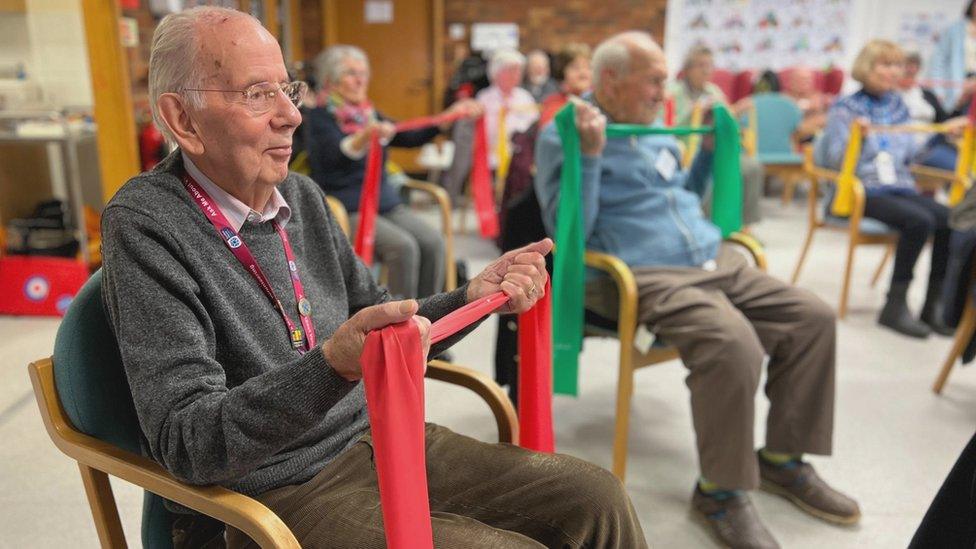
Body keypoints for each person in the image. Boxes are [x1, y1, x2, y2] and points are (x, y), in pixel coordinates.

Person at [102, 7, 647, 548]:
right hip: (266, 495)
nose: (291, 115)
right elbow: (187, 442)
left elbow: (387, 323)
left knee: (597, 497)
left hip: (379, 436)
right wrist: (332, 366)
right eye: (255, 93)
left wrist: (470, 297)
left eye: (288, 89)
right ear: (183, 121)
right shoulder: (148, 224)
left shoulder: (301, 197)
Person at [535, 30, 859, 549]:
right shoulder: (566, 132)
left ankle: (780, 460)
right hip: (641, 272)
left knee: (812, 316)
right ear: (611, 82)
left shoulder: (654, 123)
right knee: (731, 343)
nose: (665, 93)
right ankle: (720, 492)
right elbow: (570, 231)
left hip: (711, 257)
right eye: (655, 81)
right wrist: (591, 156)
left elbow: (677, 194)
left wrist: (706, 153)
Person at [305, 45, 480, 299]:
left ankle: (429, 315)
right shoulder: (319, 117)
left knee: (433, 242)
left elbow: (407, 135)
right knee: (404, 247)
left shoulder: (367, 113)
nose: (360, 80)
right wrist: (364, 137)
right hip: (348, 207)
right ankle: (400, 322)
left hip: (385, 203)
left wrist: (446, 119)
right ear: (331, 80)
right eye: (351, 73)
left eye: (363, 73)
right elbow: (334, 156)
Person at [819, 40, 955, 338]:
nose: (893, 71)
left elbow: (910, 156)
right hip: (862, 190)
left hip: (899, 186)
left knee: (949, 219)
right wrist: (860, 138)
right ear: (867, 67)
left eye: (896, 65)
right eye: (885, 64)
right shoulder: (846, 107)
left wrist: (944, 134)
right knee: (919, 221)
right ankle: (894, 306)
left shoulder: (899, 106)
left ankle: (934, 306)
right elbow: (835, 161)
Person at [668, 45, 765, 227]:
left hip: (715, 148)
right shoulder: (673, 91)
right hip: (685, 148)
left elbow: (726, 123)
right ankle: (708, 222)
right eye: (701, 65)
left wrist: (735, 111)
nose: (706, 70)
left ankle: (745, 226)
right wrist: (696, 110)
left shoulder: (714, 91)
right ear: (688, 69)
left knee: (751, 166)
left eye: (710, 65)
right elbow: (668, 124)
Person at [476, 49, 539, 173]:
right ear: (496, 73)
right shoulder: (484, 98)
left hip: (520, 160)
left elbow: (534, 125)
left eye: (518, 70)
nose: (516, 74)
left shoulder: (525, 97)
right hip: (491, 159)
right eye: (510, 70)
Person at [927, 0, 976, 117]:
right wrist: (938, 90)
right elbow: (938, 61)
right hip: (958, 85)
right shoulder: (954, 30)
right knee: (956, 122)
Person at [539, 42, 592, 127]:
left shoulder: (601, 101)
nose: (583, 72)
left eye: (588, 67)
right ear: (562, 73)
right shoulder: (553, 104)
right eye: (576, 67)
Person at [783, 66, 829, 143]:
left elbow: (823, 119)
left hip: (813, 139)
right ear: (791, 81)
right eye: (800, 80)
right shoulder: (784, 98)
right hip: (790, 139)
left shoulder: (817, 96)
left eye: (807, 80)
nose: (805, 83)